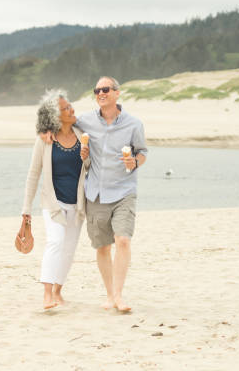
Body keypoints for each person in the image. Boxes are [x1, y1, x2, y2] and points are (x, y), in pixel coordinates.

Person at [43, 76, 147, 312]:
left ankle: (119, 296)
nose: (101, 93)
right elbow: (62, 121)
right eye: (97, 90)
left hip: (124, 191)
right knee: (102, 247)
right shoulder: (86, 121)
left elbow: (143, 152)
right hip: (96, 193)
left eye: (106, 89)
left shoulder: (134, 124)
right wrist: (45, 130)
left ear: (117, 93)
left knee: (122, 239)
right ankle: (110, 295)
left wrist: (135, 162)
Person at [22, 89, 90, 310]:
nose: (71, 109)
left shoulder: (82, 135)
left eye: (70, 105)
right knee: (56, 241)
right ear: (54, 116)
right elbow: (33, 174)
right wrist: (26, 209)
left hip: (77, 203)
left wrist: (86, 158)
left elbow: (89, 169)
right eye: (65, 108)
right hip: (53, 203)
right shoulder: (45, 140)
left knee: (69, 248)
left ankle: (58, 292)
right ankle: (47, 294)